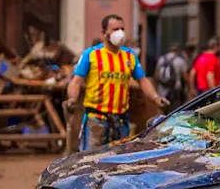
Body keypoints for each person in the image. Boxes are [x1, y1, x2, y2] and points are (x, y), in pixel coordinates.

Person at [67, 14, 169, 151]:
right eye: (115, 29)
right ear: (104, 33)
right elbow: (76, 81)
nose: (120, 33)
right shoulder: (91, 55)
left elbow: (143, 80)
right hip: (96, 119)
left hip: (120, 120)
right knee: (90, 158)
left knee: (119, 159)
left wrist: (156, 98)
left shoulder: (129, 56)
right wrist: (72, 99)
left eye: (122, 28)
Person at [155, 43, 189, 109]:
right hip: (175, 90)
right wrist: (189, 88)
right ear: (177, 51)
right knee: (174, 109)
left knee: (163, 108)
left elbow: (156, 75)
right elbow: (185, 77)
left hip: (162, 89)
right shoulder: (180, 60)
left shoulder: (161, 59)